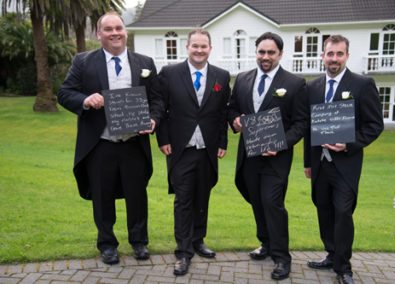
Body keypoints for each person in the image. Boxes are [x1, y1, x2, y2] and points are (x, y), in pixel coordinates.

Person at [57, 11, 163, 265]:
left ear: (125, 31)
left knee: (137, 195)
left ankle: (139, 242)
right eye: (108, 29)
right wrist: (85, 99)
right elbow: (64, 93)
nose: (115, 33)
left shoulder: (145, 62)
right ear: (99, 34)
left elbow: (157, 99)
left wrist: (153, 119)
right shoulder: (83, 62)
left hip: (134, 142)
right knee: (102, 196)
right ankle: (107, 245)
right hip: (101, 143)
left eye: (119, 27)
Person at [228, 32, 308, 281]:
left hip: (276, 159)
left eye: (271, 52)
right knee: (257, 201)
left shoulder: (295, 83)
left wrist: (281, 143)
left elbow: (301, 123)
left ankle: (282, 257)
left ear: (280, 54)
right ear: (256, 52)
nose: (265, 57)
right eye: (261, 52)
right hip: (249, 156)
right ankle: (265, 243)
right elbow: (232, 108)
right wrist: (235, 120)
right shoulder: (242, 79)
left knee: (272, 203)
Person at [303, 35, 384, 284]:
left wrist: (349, 143)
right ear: (322, 56)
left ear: (347, 55)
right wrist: (308, 162)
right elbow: (309, 127)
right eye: (330, 54)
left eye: (339, 54)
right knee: (323, 208)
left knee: (343, 213)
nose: (334, 59)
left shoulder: (362, 84)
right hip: (320, 164)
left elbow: (374, 125)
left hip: (346, 165)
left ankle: (344, 267)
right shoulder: (313, 87)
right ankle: (331, 253)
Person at [152, 28, 230, 276]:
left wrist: (222, 142)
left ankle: (198, 240)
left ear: (210, 48)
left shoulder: (221, 76)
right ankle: (183, 252)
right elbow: (161, 108)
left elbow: (221, 114)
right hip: (181, 149)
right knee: (183, 200)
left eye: (203, 46)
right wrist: (162, 138)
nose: (199, 50)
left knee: (202, 198)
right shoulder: (169, 73)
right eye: (194, 46)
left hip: (207, 149)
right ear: (187, 47)